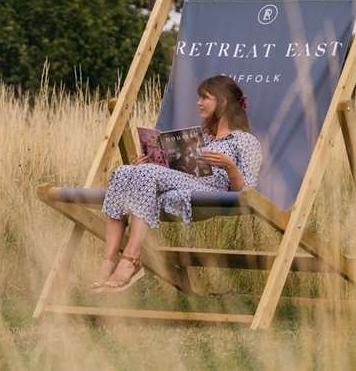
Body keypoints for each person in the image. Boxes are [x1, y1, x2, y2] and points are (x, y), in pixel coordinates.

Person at [92, 75, 263, 293]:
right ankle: (109, 259)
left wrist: (229, 166)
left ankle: (131, 260)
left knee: (142, 174)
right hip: (179, 185)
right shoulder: (201, 137)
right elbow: (171, 172)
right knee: (125, 171)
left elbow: (248, 191)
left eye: (205, 98)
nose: (199, 102)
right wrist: (147, 163)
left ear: (223, 102)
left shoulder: (245, 141)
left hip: (210, 191)